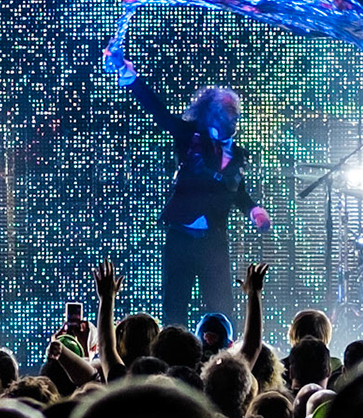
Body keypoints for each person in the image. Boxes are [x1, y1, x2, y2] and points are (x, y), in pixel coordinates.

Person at [103, 41, 270, 328]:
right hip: (181, 236)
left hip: (214, 240)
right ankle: (173, 351)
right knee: (175, 305)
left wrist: (254, 210)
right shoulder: (191, 137)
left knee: (220, 307)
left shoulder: (237, 155)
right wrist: (129, 74)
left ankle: (222, 352)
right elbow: (158, 112)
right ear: (211, 113)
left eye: (234, 114)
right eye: (225, 112)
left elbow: (237, 192)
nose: (231, 119)